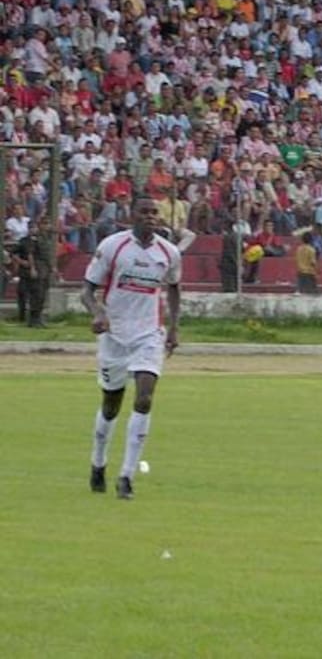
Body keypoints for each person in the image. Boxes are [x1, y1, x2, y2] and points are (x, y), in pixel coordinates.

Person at [82, 197, 183, 501]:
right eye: (145, 212)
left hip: (149, 334)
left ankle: (126, 475)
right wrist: (98, 313)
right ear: (132, 215)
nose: (151, 217)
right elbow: (87, 290)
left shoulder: (169, 252)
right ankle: (98, 462)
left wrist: (175, 327)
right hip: (114, 335)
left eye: (155, 213)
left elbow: (174, 288)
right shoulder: (113, 247)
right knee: (111, 404)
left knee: (145, 396)